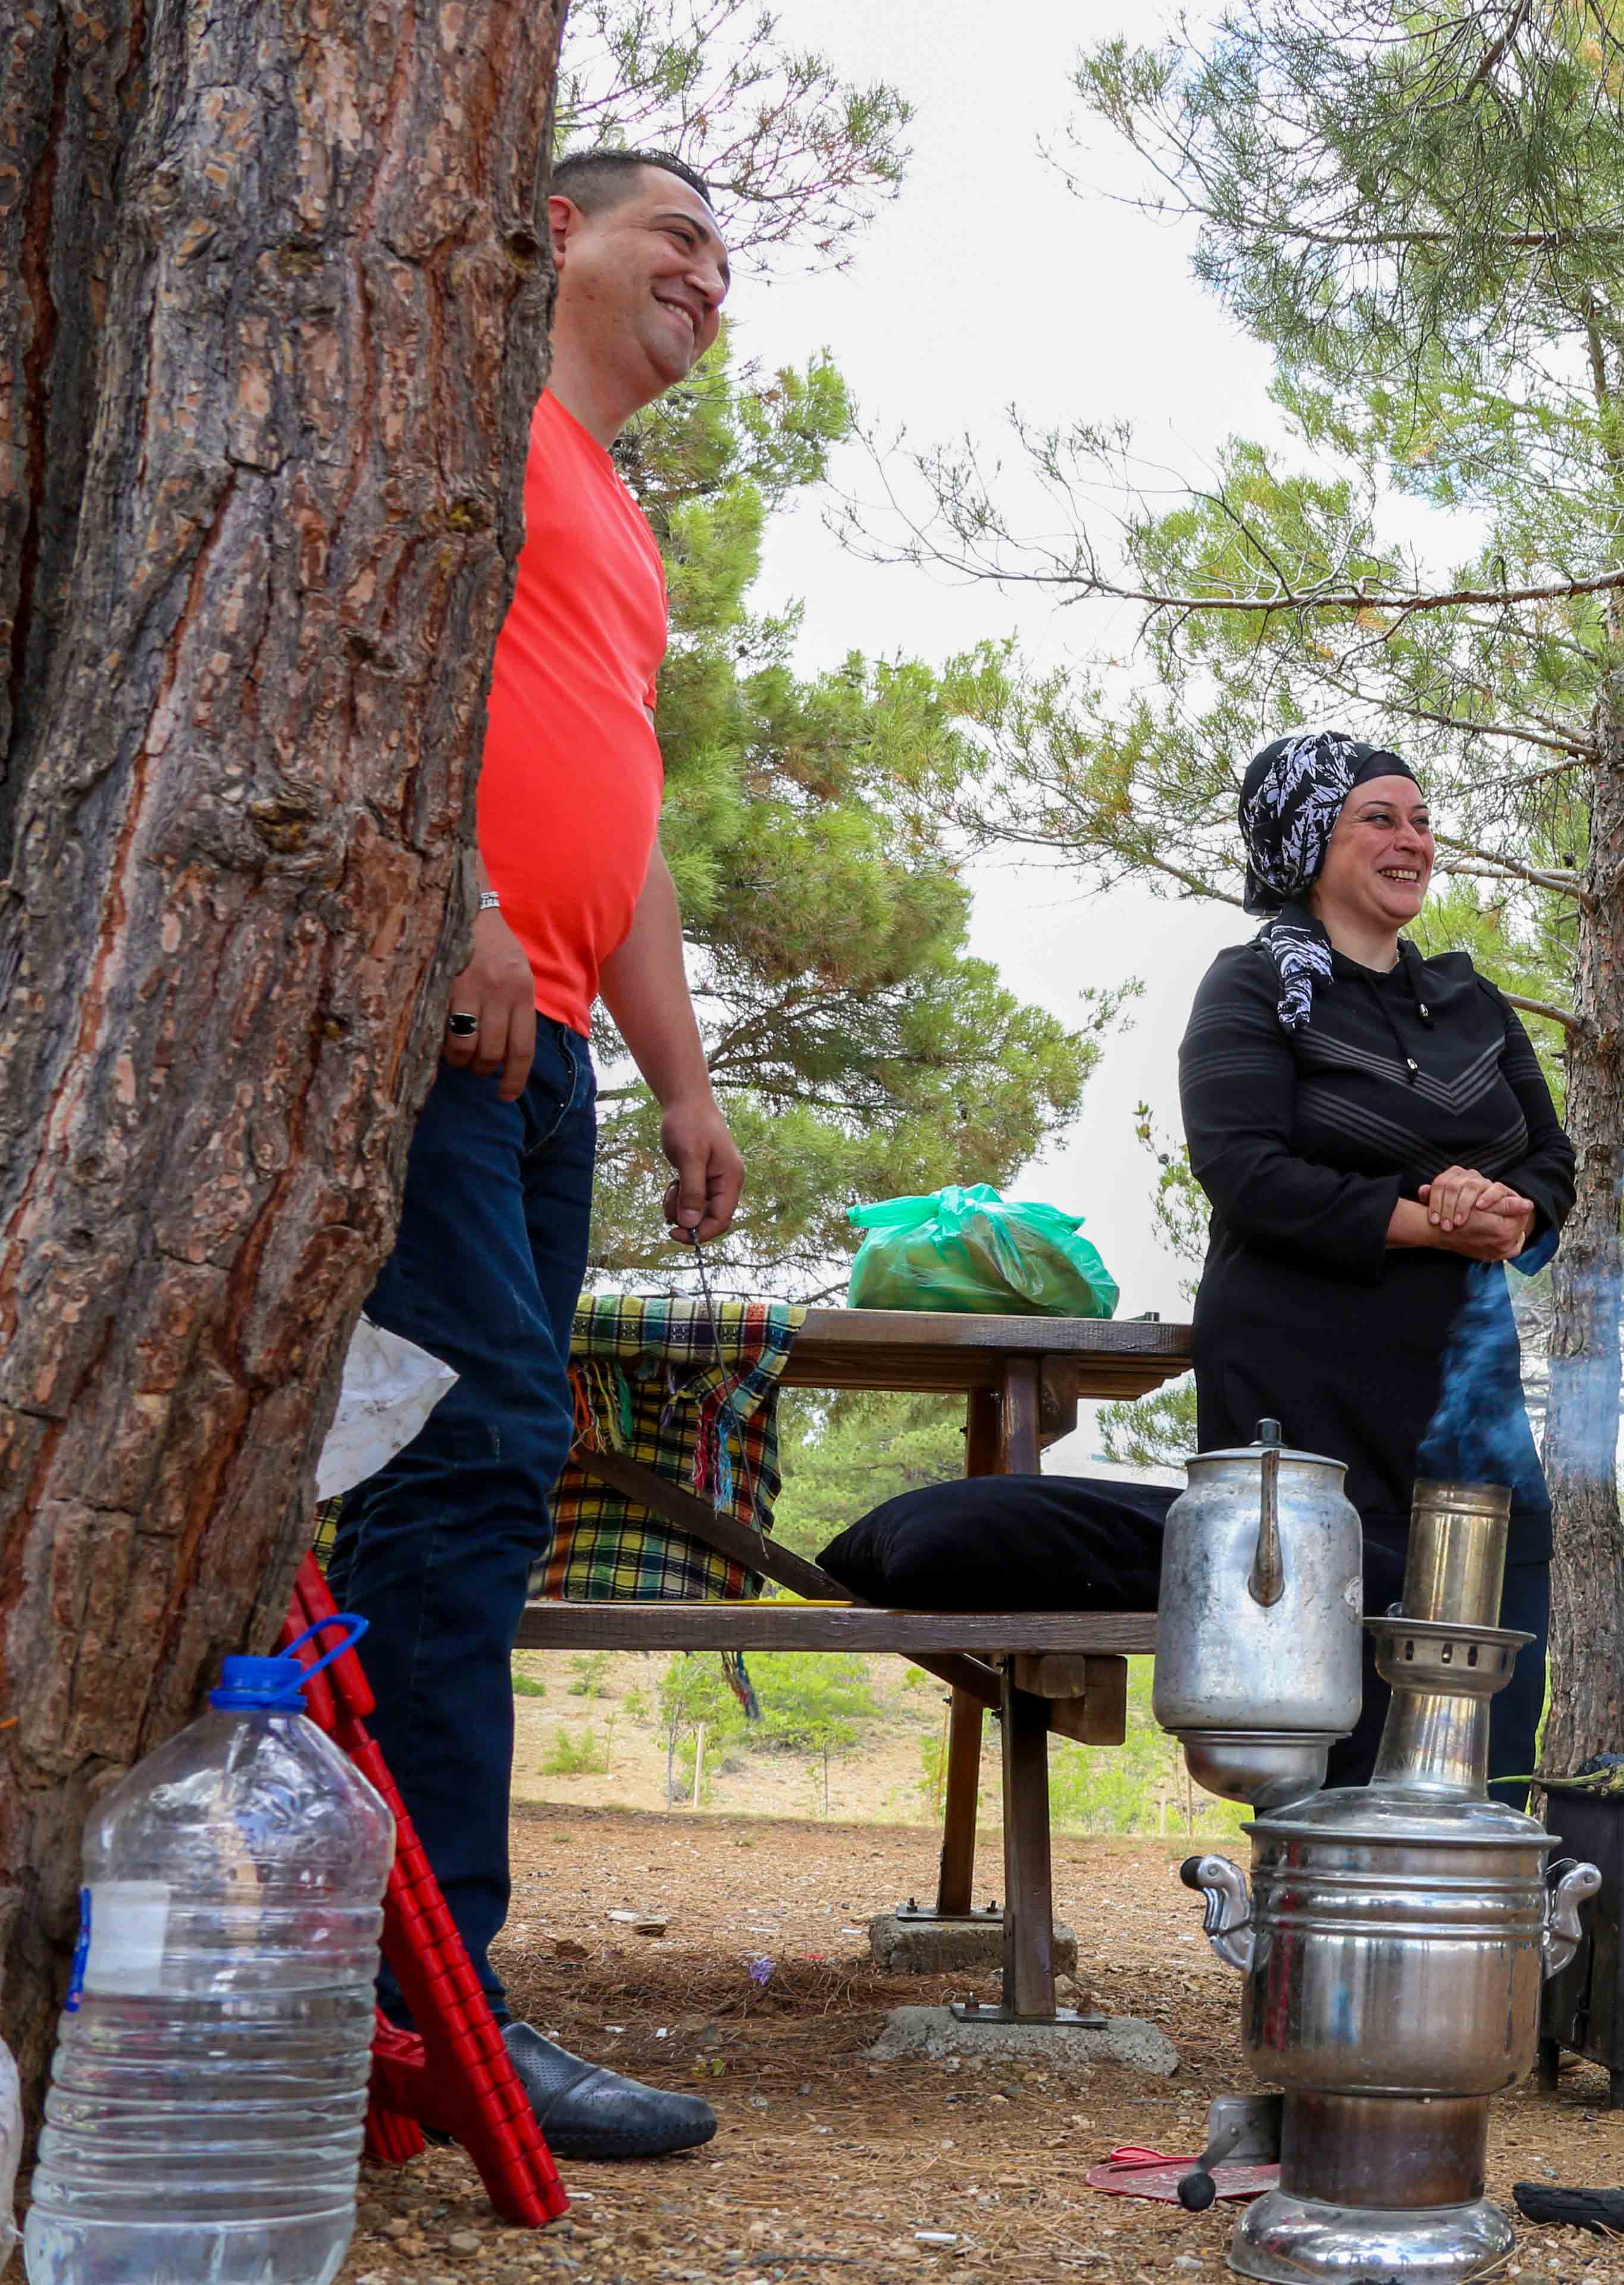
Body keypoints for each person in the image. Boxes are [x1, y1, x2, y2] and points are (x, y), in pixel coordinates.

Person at [328, 148, 744, 2162]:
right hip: (445, 1009)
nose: (709, 274)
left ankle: (405, 1972)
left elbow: (628, 820)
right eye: (678, 232)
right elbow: (370, 662)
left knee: (480, 1468)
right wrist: (457, 898)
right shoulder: (470, 420)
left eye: (727, 257)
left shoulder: (620, 517)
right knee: (467, 1447)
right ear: (556, 234)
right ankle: (426, 1999)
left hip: (550, 1049)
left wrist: (686, 1081)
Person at [1178, 731, 1576, 1789]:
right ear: (1309, 840)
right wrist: (1434, 1221)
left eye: (1423, 821)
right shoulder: (1251, 987)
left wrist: (1509, 1212)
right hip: (1302, 1390)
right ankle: (1313, 1885)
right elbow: (1245, 1172)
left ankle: (1472, 1875)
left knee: (1491, 1664)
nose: (1414, 841)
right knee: (1324, 1674)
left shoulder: (1472, 1003)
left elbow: (1551, 1159)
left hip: (1465, 1391)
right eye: (1380, 819)